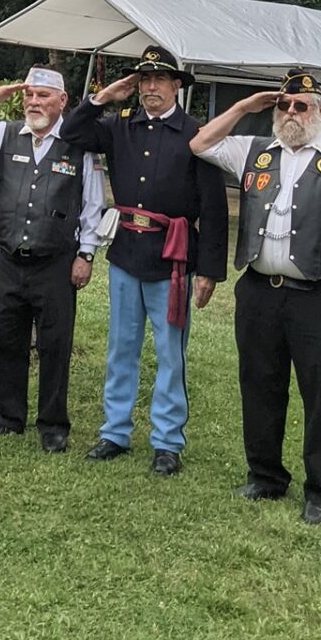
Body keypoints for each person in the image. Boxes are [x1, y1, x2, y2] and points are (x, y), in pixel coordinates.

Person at [187, 69, 321, 523]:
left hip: (317, 297)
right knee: (259, 385)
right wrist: (244, 107)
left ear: (320, 111)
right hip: (259, 291)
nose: (291, 113)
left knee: (320, 395)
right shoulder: (255, 152)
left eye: (302, 105)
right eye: (284, 105)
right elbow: (199, 143)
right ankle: (265, 476)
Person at [61, 44, 228, 477]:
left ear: (176, 86)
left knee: (170, 352)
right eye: (144, 80)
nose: (151, 87)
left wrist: (209, 269)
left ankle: (167, 441)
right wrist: (101, 98)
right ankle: (115, 431)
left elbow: (212, 208)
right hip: (126, 252)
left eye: (159, 80)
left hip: (171, 257)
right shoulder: (119, 127)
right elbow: (72, 133)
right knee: (122, 347)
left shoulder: (195, 134)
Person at [0, 66, 104, 453]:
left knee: (55, 344)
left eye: (43, 96)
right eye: (30, 96)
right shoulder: (5, 135)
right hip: (9, 258)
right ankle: (9, 416)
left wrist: (86, 253)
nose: (34, 102)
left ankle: (53, 424)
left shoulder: (78, 144)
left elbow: (92, 205)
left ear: (62, 102)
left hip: (55, 260)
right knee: (5, 338)